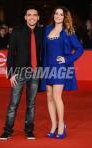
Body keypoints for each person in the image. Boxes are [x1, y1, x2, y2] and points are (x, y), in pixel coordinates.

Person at [0, 6, 43, 140]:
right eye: (29, 15)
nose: (32, 17)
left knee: (31, 104)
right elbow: (11, 53)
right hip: (19, 72)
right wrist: (11, 73)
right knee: (13, 103)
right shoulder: (17, 32)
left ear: (38, 17)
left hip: (36, 72)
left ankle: (29, 130)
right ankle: (7, 130)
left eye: (34, 15)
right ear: (25, 17)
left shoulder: (41, 32)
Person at [40, 6, 84, 139]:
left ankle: (61, 125)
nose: (58, 16)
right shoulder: (47, 29)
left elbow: (79, 49)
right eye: (56, 14)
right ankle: (53, 125)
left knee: (57, 97)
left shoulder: (68, 32)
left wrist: (67, 59)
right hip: (47, 67)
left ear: (65, 17)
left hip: (60, 68)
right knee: (49, 97)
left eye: (61, 14)